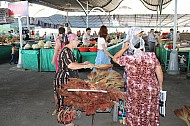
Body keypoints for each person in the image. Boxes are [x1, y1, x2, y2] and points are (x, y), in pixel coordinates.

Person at [113, 27, 163, 126]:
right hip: (151, 89)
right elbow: (159, 72)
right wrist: (160, 85)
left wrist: (124, 48)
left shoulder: (128, 58)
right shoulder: (152, 56)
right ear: (143, 45)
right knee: (150, 110)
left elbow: (115, 58)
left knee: (135, 111)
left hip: (134, 90)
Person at [53, 33, 94, 125]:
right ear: (71, 41)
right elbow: (71, 65)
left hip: (68, 79)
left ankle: (69, 123)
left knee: (69, 101)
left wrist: (83, 63)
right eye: (77, 40)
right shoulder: (66, 51)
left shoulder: (69, 50)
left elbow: (73, 63)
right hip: (64, 80)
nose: (79, 42)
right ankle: (68, 123)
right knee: (65, 101)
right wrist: (85, 65)